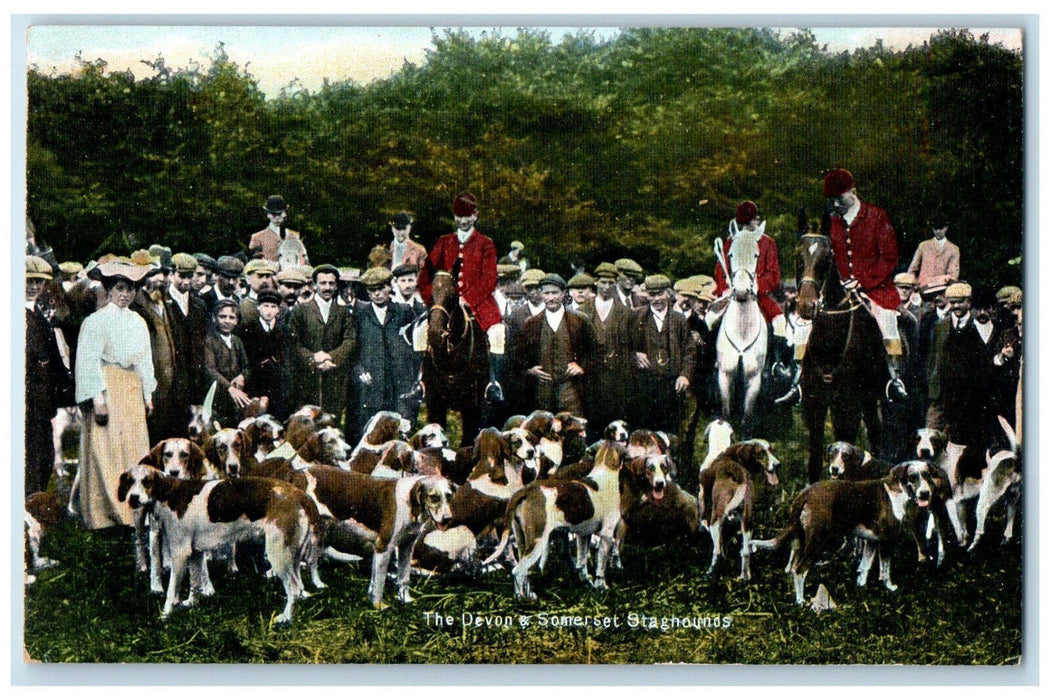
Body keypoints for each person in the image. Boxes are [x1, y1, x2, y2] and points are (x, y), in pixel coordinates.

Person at [777, 168, 908, 404]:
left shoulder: (877, 217)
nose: (836, 203)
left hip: (875, 289)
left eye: (840, 198)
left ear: (853, 192)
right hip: (839, 289)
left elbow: (889, 257)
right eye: (832, 199)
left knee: (887, 319)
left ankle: (894, 378)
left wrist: (863, 280)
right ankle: (797, 381)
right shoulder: (833, 222)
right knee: (804, 320)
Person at [75, 257, 157, 529]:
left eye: (131, 289)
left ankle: (134, 511)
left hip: (131, 389)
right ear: (109, 289)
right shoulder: (96, 321)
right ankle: (107, 514)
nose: (125, 295)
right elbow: (88, 360)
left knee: (132, 448)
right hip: (108, 385)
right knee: (107, 449)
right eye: (120, 288)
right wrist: (97, 398)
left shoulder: (138, 322)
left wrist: (147, 394)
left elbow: (145, 360)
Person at [417, 192, 504, 401]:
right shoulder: (444, 242)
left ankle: (494, 383)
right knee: (420, 332)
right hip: (445, 304)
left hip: (479, 304)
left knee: (497, 334)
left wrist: (469, 299)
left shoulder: (485, 244)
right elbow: (424, 277)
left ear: (476, 216)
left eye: (468, 216)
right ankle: (419, 382)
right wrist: (436, 300)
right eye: (459, 216)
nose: (463, 221)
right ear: (454, 217)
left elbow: (489, 278)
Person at [710, 200, 791, 378]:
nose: (746, 227)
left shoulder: (768, 243)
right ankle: (712, 362)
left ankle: (775, 363)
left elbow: (774, 274)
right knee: (709, 319)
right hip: (732, 294)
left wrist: (756, 286)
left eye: (750, 223)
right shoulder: (731, 241)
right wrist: (724, 289)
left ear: (757, 220)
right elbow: (721, 269)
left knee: (779, 322)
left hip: (758, 295)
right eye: (742, 224)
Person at [348, 267, 424, 441]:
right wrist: (360, 370)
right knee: (371, 428)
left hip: (398, 379)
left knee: (399, 428)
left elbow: (415, 343)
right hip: (372, 379)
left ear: (390, 287)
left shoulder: (404, 311)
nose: (377, 294)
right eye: (372, 290)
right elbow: (353, 347)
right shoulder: (360, 314)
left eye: (381, 288)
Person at [25, 256, 75, 496]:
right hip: (27, 403)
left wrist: (67, 392)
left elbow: (53, 361)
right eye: (29, 281)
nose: (34, 286)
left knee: (42, 458)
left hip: (42, 404)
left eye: (39, 282)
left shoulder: (38, 316)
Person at [514, 273, 597, 418]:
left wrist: (582, 366)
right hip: (542, 392)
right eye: (546, 293)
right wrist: (530, 370)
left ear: (563, 294)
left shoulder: (579, 320)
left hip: (570, 390)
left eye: (555, 293)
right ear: (541, 294)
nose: (551, 298)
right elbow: (518, 358)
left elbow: (595, 351)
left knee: (573, 430)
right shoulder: (532, 324)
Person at [286, 264, 357, 422]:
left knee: (332, 423)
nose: (327, 287)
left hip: (334, 378)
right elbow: (293, 342)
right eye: (323, 283)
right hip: (307, 378)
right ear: (314, 285)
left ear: (336, 285)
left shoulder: (344, 312)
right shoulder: (301, 311)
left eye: (331, 283)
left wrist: (330, 358)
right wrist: (313, 358)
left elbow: (350, 340)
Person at [627, 274, 696, 434]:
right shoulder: (637, 317)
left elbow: (689, 351)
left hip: (670, 384)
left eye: (660, 294)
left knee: (669, 431)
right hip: (644, 385)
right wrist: (635, 354)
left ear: (668, 294)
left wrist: (685, 375)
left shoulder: (679, 320)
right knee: (643, 430)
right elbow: (624, 345)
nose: (656, 299)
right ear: (646, 295)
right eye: (652, 294)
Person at [926, 283, 993, 446]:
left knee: (961, 440)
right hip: (941, 393)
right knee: (933, 436)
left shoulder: (978, 325)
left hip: (967, 396)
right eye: (953, 302)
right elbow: (933, 357)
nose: (956, 306)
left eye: (960, 302)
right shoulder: (940, 326)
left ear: (969, 302)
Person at [580, 262, 635, 439]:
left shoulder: (625, 312)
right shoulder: (583, 310)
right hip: (591, 377)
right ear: (595, 282)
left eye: (611, 283)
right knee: (592, 423)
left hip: (616, 378)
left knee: (616, 423)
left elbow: (631, 345)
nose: (607, 287)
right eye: (603, 282)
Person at [204, 299, 257, 428]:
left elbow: (246, 366)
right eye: (222, 317)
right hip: (218, 395)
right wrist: (229, 387)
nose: (227, 321)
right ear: (214, 318)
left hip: (235, 396)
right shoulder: (210, 341)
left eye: (231, 317)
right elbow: (210, 369)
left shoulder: (237, 341)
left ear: (237, 321)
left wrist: (242, 376)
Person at [240, 289, 291, 421]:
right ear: (258, 308)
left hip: (277, 384)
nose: (269, 310)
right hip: (256, 382)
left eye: (273, 307)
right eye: (266, 306)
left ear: (278, 310)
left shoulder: (283, 330)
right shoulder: (248, 329)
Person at [249, 195, 309, 268]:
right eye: (273, 214)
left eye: (279, 214)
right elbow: (255, 264)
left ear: (285, 214)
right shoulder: (257, 237)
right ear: (268, 215)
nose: (277, 217)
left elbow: (303, 259)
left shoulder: (294, 235)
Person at [908, 212, 960, 291]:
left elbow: (953, 275)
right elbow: (912, 269)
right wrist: (914, 284)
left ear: (946, 228)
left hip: (942, 290)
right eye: (935, 228)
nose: (938, 231)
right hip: (922, 289)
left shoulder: (953, 249)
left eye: (940, 228)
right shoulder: (923, 246)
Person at [239, 259, 278, 329]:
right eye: (260, 276)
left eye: (268, 276)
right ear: (248, 279)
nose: (265, 281)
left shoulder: (280, 305)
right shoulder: (242, 306)